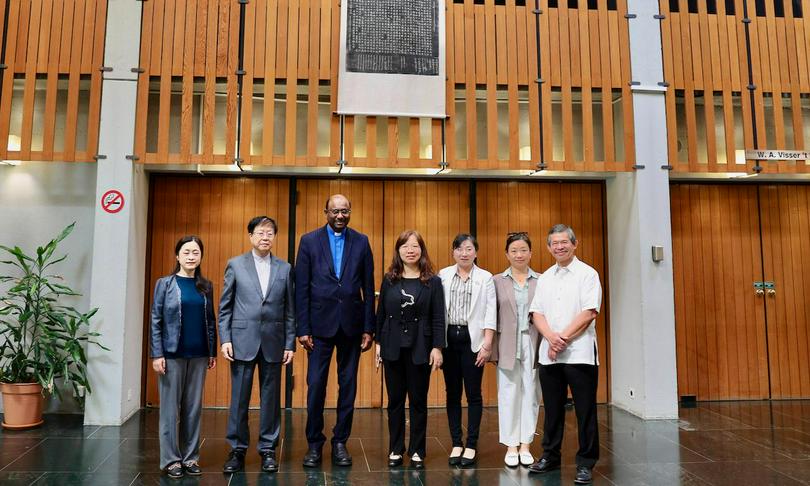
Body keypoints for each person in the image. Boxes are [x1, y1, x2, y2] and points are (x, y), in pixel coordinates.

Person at [295, 194, 375, 467]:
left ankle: (340, 441)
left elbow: (368, 285)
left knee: (348, 386)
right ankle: (314, 444)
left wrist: (368, 327)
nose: (340, 216)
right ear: (325, 212)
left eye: (344, 211)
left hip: (352, 326)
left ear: (350, 211)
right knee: (315, 385)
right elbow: (301, 287)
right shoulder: (308, 241)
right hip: (318, 327)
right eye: (334, 211)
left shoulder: (362, 241)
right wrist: (302, 328)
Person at [218, 216, 295, 474]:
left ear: (274, 237)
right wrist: (225, 338)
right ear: (251, 236)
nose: (265, 237)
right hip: (242, 340)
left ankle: (268, 449)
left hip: (274, 342)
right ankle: (237, 449)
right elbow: (225, 306)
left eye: (270, 233)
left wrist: (289, 343)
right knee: (239, 397)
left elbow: (290, 311)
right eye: (261, 232)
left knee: (271, 399)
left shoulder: (284, 268)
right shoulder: (236, 265)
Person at [527, 224, 602, 485]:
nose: (559, 247)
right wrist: (550, 337)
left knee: (585, 410)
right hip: (550, 355)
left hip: (579, 355)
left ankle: (585, 463)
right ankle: (550, 455)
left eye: (564, 242)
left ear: (574, 243)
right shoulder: (545, 277)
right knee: (553, 410)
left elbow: (589, 312)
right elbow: (537, 313)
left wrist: (562, 338)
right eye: (554, 243)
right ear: (549, 248)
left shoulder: (587, 274)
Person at [375, 230, 446, 469]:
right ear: (398, 251)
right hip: (392, 346)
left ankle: (417, 451)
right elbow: (381, 314)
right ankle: (396, 449)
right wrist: (378, 344)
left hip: (420, 347)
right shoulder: (389, 280)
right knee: (395, 401)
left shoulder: (433, 281)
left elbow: (438, 317)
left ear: (422, 250)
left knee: (417, 401)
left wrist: (437, 347)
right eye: (405, 246)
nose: (410, 250)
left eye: (415, 246)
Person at [150, 236, 217, 479]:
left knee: (192, 410)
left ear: (201, 257)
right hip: (171, 355)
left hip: (199, 355)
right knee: (169, 410)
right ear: (177, 256)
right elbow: (156, 320)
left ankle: (190, 458)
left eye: (196, 252)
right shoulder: (165, 284)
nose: (191, 256)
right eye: (186, 252)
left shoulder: (205, 286)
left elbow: (211, 321)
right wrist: (157, 353)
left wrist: (212, 352)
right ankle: (171, 460)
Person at [438, 233, 497, 467]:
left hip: (474, 341)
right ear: (453, 252)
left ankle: (471, 444)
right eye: (460, 249)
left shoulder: (485, 278)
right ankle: (456, 442)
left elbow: (491, 312)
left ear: (476, 252)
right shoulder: (442, 275)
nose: (464, 253)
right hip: (449, 339)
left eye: (469, 248)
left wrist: (487, 344)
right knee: (452, 392)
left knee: (473, 394)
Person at [494, 232, 542, 467]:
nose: (519, 254)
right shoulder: (497, 281)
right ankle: (511, 445)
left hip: (533, 341)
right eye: (514, 250)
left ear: (531, 253)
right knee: (508, 393)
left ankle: (526, 444)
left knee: (531, 393)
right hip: (507, 343)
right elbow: (490, 317)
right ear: (507, 254)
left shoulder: (542, 280)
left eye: (523, 250)